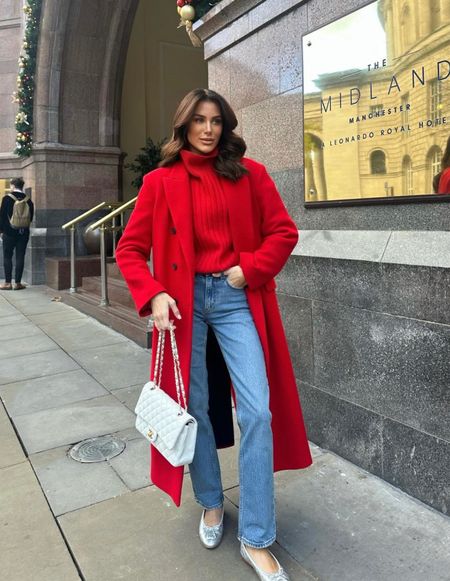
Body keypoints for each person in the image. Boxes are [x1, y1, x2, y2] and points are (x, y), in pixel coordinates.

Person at [116, 88, 312, 580]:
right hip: (183, 303)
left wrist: (251, 269)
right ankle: (210, 502)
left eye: (216, 121)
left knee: (258, 410)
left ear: (226, 126)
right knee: (195, 409)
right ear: (184, 126)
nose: (208, 129)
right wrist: (154, 293)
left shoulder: (252, 176)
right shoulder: (160, 182)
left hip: (233, 294)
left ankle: (257, 536)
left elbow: (283, 232)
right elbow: (130, 248)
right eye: (199, 121)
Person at [0, 177, 34, 290]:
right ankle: (18, 283)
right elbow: (31, 217)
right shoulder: (28, 200)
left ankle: (8, 283)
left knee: (7, 256)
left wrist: (1, 231)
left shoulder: (6, 199)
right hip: (23, 232)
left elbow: (2, 216)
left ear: (13, 185)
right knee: (20, 256)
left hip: (9, 233)